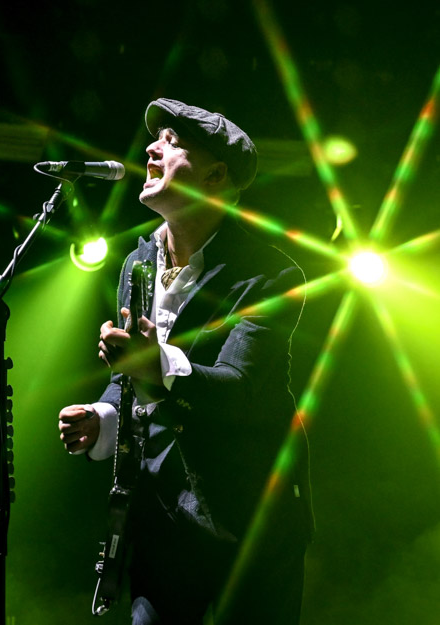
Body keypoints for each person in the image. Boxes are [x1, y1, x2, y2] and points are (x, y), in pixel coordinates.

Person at [58, 98, 314, 624]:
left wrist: (155, 364)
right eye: (155, 140)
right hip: (162, 518)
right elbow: (133, 378)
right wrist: (103, 415)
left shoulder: (271, 275)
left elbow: (238, 388)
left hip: (250, 522)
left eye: (172, 142)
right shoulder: (137, 262)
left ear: (216, 175)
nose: (152, 149)